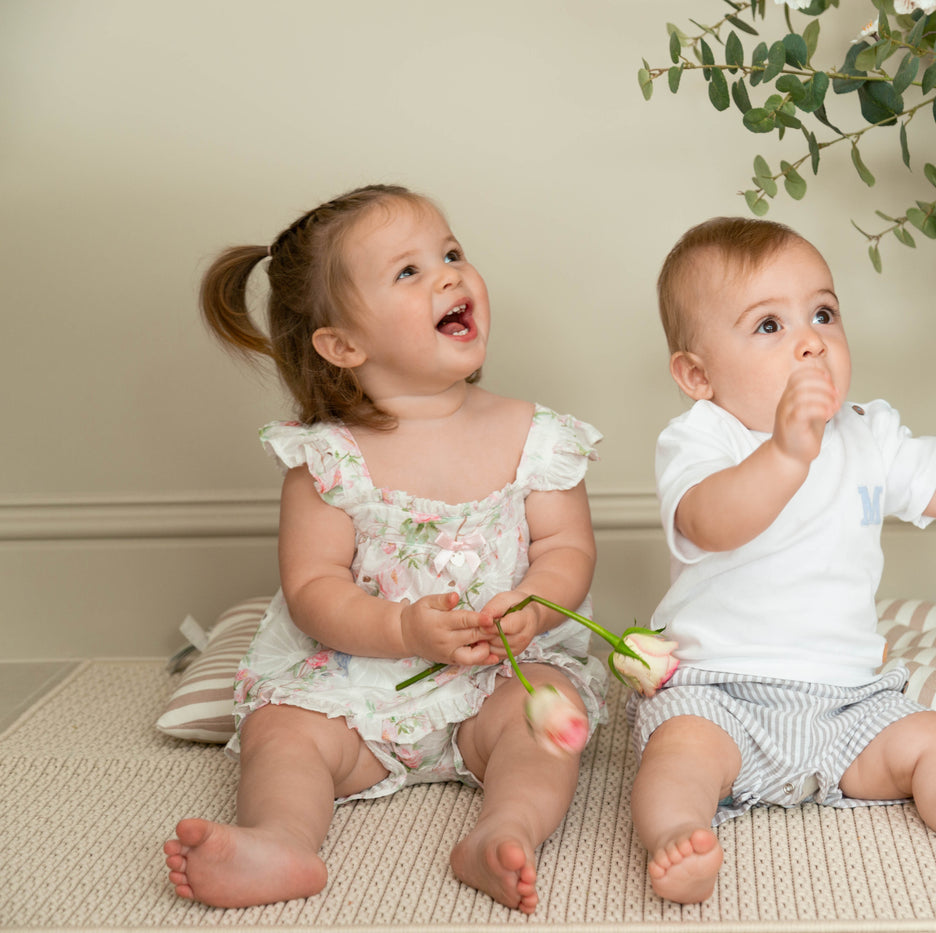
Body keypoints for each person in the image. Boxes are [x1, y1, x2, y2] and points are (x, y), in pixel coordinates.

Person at [629, 217, 936, 904]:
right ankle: (679, 834)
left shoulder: (866, 431)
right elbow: (709, 521)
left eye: (823, 313)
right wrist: (786, 453)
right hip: (720, 690)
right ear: (697, 374)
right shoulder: (703, 438)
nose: (810, 340)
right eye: (769, 326)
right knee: (676, 752)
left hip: (850, 702)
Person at [162, 184, 605, 914]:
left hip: (495, 680)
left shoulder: (537, 435)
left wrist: (535, 601)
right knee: (284, 732)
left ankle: (505, 829)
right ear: (342, 345)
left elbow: (567, 545)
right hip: (354, 685)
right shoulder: (328, 457)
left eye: (452, 253)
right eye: (409, 271)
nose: (450, 274)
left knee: (548, 714)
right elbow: (313, 585)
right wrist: (402, 628)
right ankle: (280, 840)